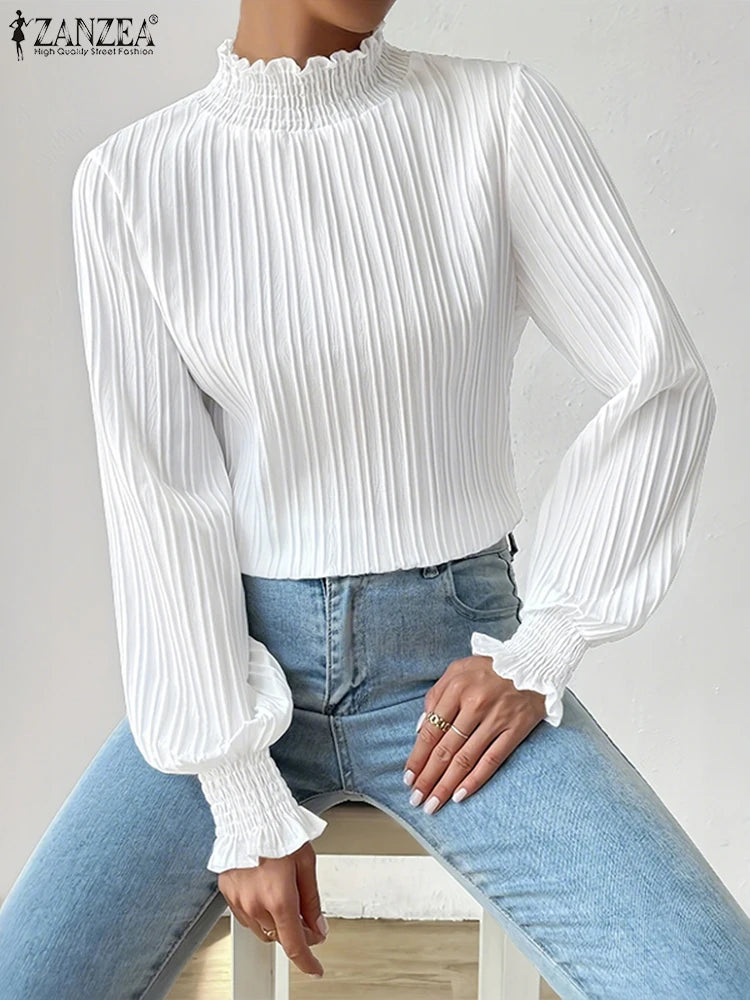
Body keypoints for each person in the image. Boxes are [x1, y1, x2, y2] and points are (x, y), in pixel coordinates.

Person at [2, 2, 749, 997]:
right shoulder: (134, 179)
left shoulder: (497, 115)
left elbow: (660, 378)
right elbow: (162, 499)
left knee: (712, 979)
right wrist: (240, 790)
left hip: (452, 673)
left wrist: (541, 649)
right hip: (237, 674)